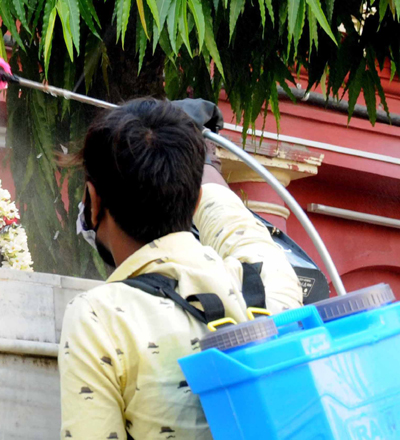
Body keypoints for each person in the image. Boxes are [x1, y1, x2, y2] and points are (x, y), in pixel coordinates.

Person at [59, 98, 303, 440]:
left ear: (94, 200)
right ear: (196, 200)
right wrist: (191, 153)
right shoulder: (265, 279)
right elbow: (233, 223)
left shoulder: (100, 318)